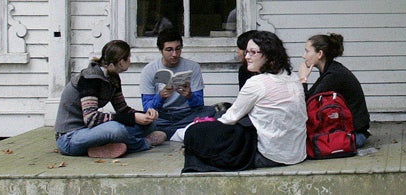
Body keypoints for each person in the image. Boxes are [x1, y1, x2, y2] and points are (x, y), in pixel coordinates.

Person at [191, 31, 306, 169]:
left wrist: (210, 130)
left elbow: (230, 118)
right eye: (246, 52)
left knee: (196, 131)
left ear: (269, 56)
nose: (247, 57)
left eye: (253, 52)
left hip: (268, 155)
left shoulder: (257, 82)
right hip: (297, 154)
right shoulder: (292, 77)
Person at [54, 39, 166, 159]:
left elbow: (122, 109)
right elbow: (91, 119)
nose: (130, 61)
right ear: (120, 61)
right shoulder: (90, 79)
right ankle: (143, 143)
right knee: (116, 129)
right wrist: (132, 118)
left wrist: (145, 115)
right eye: (128, 58)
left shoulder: (113, 77)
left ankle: (102, 147)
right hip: (70, 137)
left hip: (93, 131)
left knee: (151, 123)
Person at [139, 29, 215, 138]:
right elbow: (147, 107)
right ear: (161, 50)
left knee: (210, 111)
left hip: (186, 114)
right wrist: (160, 97)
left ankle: (170, 133)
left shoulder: (193, 67)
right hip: (162, 115)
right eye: (169, 50)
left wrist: (190, 96)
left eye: (178, 49)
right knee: (142, 120)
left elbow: (199, 103)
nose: (174, 54)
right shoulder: (149, 70)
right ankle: (184, 131)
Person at [300, 33, 371, 147]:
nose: (303, 56)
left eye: (307, 51)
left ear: (320, 54)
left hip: (353, 136)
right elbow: (310, 96)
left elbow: (305, 104)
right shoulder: (330, 70)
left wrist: (303, 79)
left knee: (307, 148)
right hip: (347, 131)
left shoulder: (334, 75)